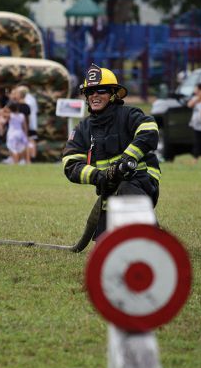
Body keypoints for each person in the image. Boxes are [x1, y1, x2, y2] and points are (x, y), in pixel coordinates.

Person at [62, 63, 161, 238]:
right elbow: (70, 165)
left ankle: (154, 239)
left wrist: (126, 159)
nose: (95, 95)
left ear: (113, 94)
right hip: (109, 191)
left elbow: (149, 129)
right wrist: (100, 176)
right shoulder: (83, 129)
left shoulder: (128, 115)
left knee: (127, 187)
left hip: (141, 181)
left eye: (102, 90)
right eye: (90, 92)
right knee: (104, 244)